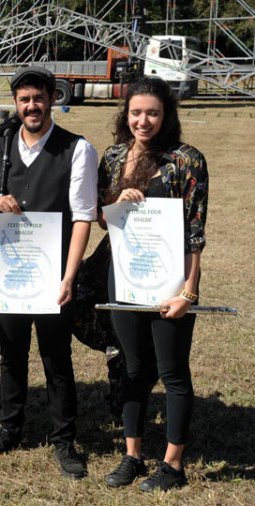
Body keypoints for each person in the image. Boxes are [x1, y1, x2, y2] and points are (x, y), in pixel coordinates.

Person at [0, 67, 98, 478]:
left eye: (39, 98)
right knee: (11, 353)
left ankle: (64, 440)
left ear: (52, 100)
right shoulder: (0, 143)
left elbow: (82, 217)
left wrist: (68, 276)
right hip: (9, 270)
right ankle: (10, 428)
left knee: (56, 356)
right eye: (24, 99)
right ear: (16, 103)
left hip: (53, 273)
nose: (32, 106)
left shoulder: (77, 149)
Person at [99, 77, 208, 492]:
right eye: (136, 113)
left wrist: (187, 291)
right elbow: (99, 216)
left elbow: (195, 233)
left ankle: (173, 465)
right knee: (132, 368)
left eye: (152, 113)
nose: (143, 121)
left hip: (170, 280)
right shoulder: (112, 157)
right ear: (125, 115)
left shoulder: (186, 160)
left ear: (166, 115)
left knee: (172, 371)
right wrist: (115, 203)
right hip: (124, 278)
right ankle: (132, 456)